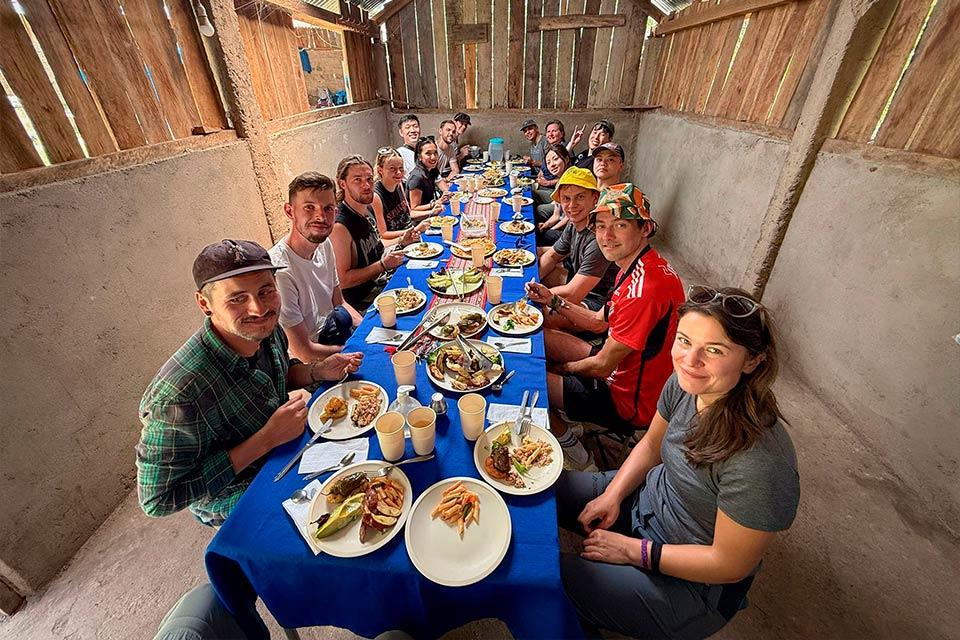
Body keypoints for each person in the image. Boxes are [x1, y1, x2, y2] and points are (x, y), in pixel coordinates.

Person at [555, 285, 799, 639]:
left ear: (752, 360)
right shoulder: (687, 384)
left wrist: (633, 551)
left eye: (714, 350)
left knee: (545, 581)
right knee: (541, 490)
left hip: (691, 585)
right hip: (648, 502)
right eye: (684, 341)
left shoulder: (759, 463)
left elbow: (729, 564)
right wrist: (613, 495)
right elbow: (652, 444)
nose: (690, 360)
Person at [137, 240, 363, 526]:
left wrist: (316, 371)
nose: (258, 308)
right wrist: (265, 439)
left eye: (266, 291)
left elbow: (280, 373)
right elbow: (157, 499)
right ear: (204, 304)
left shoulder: (267, 330)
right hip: (239, 491)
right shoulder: (178, 395)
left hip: (289, 447)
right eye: (237, 298)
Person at [526, 184, 684, 468]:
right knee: (542, 338)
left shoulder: (644, 291)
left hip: (626, 401)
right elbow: (599, 322)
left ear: (645, 228)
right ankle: (570, 424)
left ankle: (579, 456)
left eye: (620, 225)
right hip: (621, 368)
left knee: (529, 382)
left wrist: (563, 369)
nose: (606, 236)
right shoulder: (637, 265)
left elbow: (601, 367)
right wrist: (552, 299)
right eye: (601, 226)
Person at [269, 172, 363, 365]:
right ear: (289, 211)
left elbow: (339, 301)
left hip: (336, 330)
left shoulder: (324, 244)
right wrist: (359, 349)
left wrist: (367, 331)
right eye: (309, 208)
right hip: (314, 362)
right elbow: (303, 352)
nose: (321, 216)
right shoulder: (280, 270)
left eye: (328, 208)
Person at [330, 155, 419, 311]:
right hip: (363, 302)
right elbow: (343, 280)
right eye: (357, 180)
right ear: (342, 184)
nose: (366, 185)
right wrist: (383, 265)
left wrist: (401, 241)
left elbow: (376, 243)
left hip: (383, 283)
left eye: (369, 179)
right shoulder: (340, 226)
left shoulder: (367, 208)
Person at [533, 167, 618, 320]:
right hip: (577, 282)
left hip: (598, 302)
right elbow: (552, 256)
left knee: (540, 315)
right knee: (535, 274)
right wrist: (531, 281)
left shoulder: (599, 238)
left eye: (580, 197)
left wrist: (532, 294)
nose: (572, 205)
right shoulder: (574, 223)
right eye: (566, 198)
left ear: (595, 198)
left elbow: (573, 293)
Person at [535, 143, 573, 241]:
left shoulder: (571, 183)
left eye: (556, 159)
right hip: (563, 225)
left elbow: (568, 218)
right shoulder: (560, 182)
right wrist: (545, 225)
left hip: (571, 232)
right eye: (548, 162)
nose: (552, 164)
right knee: (538, 230)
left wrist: (550, 229)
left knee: (538, 236)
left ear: (567, 159)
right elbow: (556, 215)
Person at [406, 137, 451, 212]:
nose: (433, 157)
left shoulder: (431, 170)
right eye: (428, 153)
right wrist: (436, 202)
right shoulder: (416, 178)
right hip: (422, 219)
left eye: (435, 153)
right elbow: (414, 208)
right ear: (419, 157)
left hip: (432, 211)